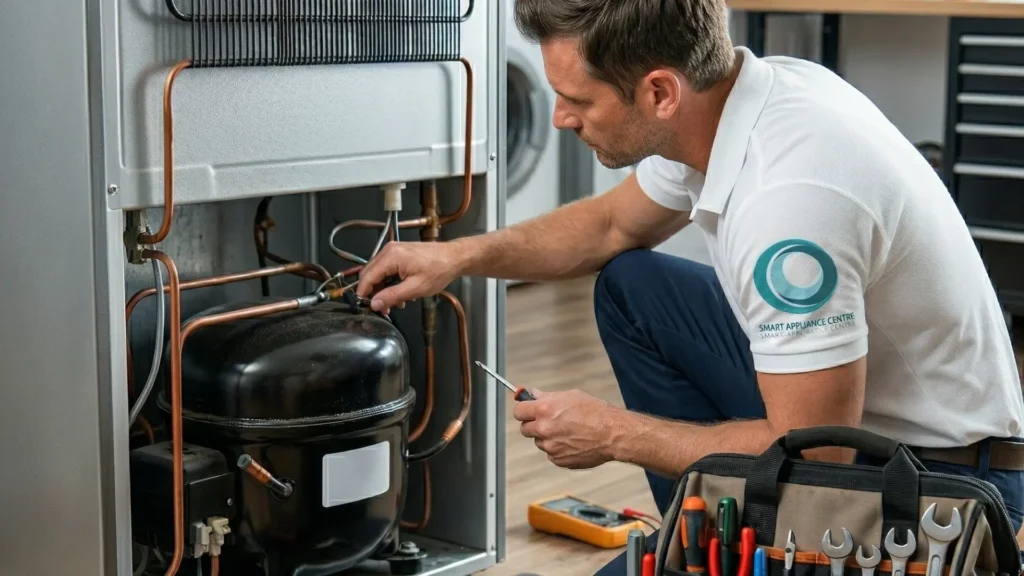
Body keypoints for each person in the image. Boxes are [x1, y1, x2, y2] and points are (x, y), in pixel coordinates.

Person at [356, 0, 1024, 569]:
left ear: (659, 92)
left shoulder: (788, 204)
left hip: (940, 479)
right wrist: (454, 257)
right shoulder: (733, 99)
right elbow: (610, 227)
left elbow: (820, 449)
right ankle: (707, 526)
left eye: (578, 99)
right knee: (633, 285)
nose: (561, 117)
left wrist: (614, 434)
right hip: (860, 412)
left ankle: (726, 543)